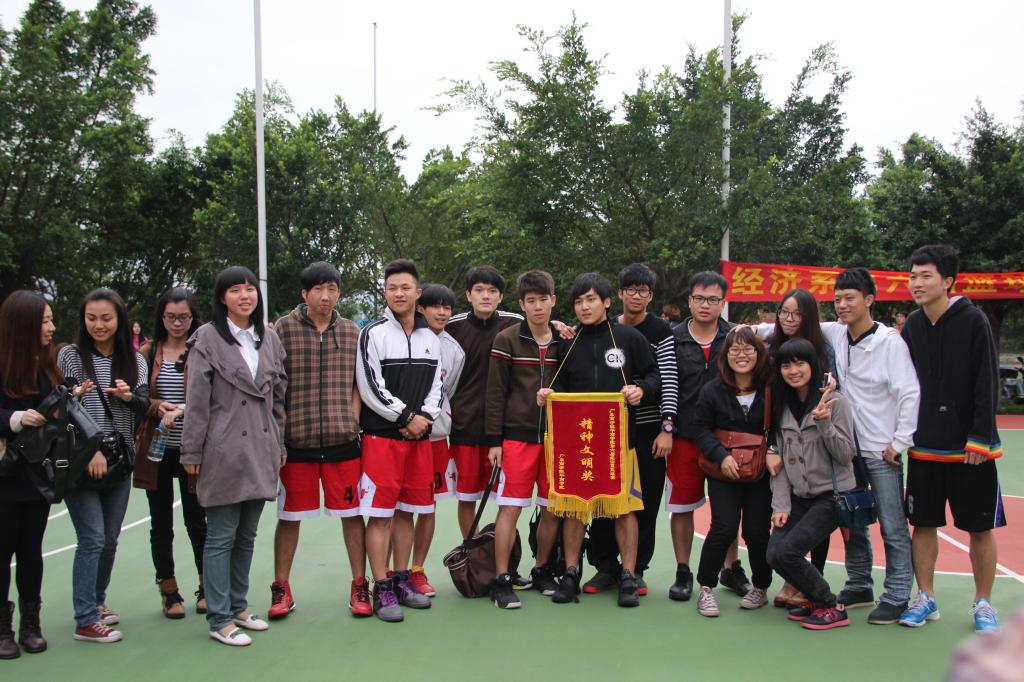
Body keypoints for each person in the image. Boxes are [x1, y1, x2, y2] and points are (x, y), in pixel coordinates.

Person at [898, 245, 1004, 634]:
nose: (917, 283)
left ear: (947, 281)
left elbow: (987, 380)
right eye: (912, 276)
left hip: (970, 450)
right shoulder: (913, 325)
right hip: (924, 446)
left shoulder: (974, 321)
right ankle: (925, 596)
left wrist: (980, 437)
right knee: (922, 524)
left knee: (979, 527)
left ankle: (984, 602)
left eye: (925, 276)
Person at [537, 272, 658, 608]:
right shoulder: (569, 342)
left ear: (606, 302)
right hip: (576, 442)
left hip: (619, 440)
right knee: (575, 507)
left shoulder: (629, 338)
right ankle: (571, 573)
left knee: (624, 509)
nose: (584, 307)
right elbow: (561, 386)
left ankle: (629, 576)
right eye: (578, 301)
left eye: (591, 299)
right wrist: (549, 394)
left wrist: (640, 389)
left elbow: (653, 376)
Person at [181, 266, 288, 646]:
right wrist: (191, 450)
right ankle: (219, 617)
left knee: (246, 535)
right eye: (235, 290)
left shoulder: (269, 338)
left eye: (249, 289)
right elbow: (196, 402)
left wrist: (279, 444)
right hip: (223, 449)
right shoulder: (207, 339)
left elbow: (278, 400)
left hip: (261, 447)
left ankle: (239, 606)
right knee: (221, 536)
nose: (245, 296)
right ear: (222, 298)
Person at [268, 262, 369, 620]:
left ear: (339, 292)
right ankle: (281, 587)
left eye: (332, 289)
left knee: (352, 515)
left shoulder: (352, 332)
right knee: (289, 517)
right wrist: (282, 426)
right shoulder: (283, 328)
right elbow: (275, 384)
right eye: (318, 290)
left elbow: (359, 383)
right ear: (304, 293)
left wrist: (352, 419)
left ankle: (360, 584)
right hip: (298, 443)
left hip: (343, 442)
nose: (325, 296)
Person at [826, 268, 919, 624]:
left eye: (849, 298)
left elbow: (909, 392)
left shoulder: (889, 342)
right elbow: (797, 323)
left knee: (892, 525)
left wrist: (900, 441)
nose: (842, 305)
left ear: (869, 300)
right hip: (848, 451)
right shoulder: (837, 333)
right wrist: (743, 330)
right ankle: (859, 583)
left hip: (881, 450)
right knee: (852, 520)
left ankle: (897, 594)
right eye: (837, 298)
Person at [57, 288, 149, 643]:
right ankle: (85, 619)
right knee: (92, 538)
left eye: (106, 318)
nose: (98, 325)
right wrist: (89, 449)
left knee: (110, 538)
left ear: (120, 320)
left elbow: (143, 406)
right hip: (82, 459)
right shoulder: (71, 356)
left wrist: (128, 396)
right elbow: (64, 408)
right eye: (91, 318)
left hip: (120, 460)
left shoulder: (135, 360)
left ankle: (96, 601)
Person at [356, 259, 442, 623]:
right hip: (381, 439)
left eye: (405, 287)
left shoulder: (430, 339)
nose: (398, 293)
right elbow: (370, 387)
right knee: (380, 516)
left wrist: (423, 421)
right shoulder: (372, 334)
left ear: (417, 293)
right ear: (385, 292)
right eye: (392, 288)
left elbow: (437, 387)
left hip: (419, 441)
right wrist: (406, 418)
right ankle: (382, 587)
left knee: (407, 512)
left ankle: (402, 579)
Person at [584, 264, 676, 597]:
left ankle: (635, 570)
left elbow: (668, 379)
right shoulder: (603, 326)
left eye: (643, 291)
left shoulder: (661, 331)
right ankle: (605, 567)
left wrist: (667, 427)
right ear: (619, 294)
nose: (637, 296)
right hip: (607, 430)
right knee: (603, 499)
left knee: (644, 502)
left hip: (649, 429)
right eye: (631, 289)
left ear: (651, 296)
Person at [664, 272, 746, 602]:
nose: (705, 305)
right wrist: (666, 428)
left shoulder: (736, 338)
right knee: (682, 506)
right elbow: (666, 386)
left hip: (726, 438)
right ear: (689, 301)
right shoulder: (672, 338)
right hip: (684, 437)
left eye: (713, 299)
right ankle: (683, 571)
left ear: (723, 303)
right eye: (699, 298)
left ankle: (731, 567)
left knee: (728, 510)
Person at [485, 270, 563, 608]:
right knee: (510, 509)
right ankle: (502, 578)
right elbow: (495, 392)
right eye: (531, 301)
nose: (538, 306)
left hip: (557, 440)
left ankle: (542, 569)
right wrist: (494, 440)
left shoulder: (565, 340)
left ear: (553, 300)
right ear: (521, 304)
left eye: (543, 299)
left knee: (551, 509)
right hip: (517, 439)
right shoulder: (507, 339)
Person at [767, 338, 856, 631]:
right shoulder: (782, 406)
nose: (793, 371)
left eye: (800, 363)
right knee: (774, 554)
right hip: (799, 496)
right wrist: (781, 505)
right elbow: (780, 460)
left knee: (789, 552)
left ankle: (831, 605)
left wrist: (825, 424)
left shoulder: (835, 402)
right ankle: (815, 599)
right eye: (786, 365)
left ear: (813, 365)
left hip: (832, 495)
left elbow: (846, 455)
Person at [133, 288, 207, 619]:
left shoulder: (203, 350)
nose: (177, 323)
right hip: (158, 450)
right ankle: (169, 591)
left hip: (193, 449)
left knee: (198, 521)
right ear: (161, 317)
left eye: (183, 317)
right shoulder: (148, 353)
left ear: (193, 318)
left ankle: (207, 587)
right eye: (170, 317)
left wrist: (184, 409)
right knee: (161, 524)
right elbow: (137, 399)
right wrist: (155, 406)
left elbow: (213, 396)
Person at [692, 327, 776, 617]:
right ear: (725, 355)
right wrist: (721, 456)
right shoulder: (713, 389)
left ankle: (761, 586)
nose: (741, 355)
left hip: (760, 472)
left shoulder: (771, 389)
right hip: (723, 471)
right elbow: (700, 428)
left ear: (759, 353)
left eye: (748, 349)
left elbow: (781, 426)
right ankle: (705, 587)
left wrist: (774, 452)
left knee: (757, 531)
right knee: (724, 526)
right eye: (734, 350)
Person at [762, 288, 837, 607]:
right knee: (787, 519)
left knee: (815, 525)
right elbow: (771, 401)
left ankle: (808, 585)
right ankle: (794, 581)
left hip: (818, 445)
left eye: (797, 314)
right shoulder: (771, 348)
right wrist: (772, 446)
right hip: (785, 439)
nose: (789, 319)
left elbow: (831, 395)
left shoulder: (823, 351)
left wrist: (824, 421)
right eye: (784, 312)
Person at [0, 291, 61, 658]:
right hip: (4, 475)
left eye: (51, 320)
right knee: (2, 551)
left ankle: (31, 623)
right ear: (24, 325)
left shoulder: (45, 367)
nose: (51, 327)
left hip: (37, 475)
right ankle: (2, 629)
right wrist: (15, 418)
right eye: (44, 321)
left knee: (30, 551)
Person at [446, 266, 523, 540]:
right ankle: (472, 552)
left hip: (505, 431)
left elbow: (543, 326)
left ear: (500, 296)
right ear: (469, 295)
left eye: (492, 291)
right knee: (466, 498)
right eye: (479, 290)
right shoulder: (452, 326)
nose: (486, 296)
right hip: (464, 428)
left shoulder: (515, 323)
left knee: (508, 500)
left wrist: (559, 325)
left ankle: (500, 557)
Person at [410, 283, 464, 598]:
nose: (442, 313)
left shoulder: (454, 351)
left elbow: (447, 392)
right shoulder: (401, 338)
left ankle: (417, 570)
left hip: (435, 440)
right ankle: (389, 573)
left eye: (447, 307)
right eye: (435, 306)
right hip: (399, 436)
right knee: (394, 509)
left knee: (427, 507)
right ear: (421, 308)